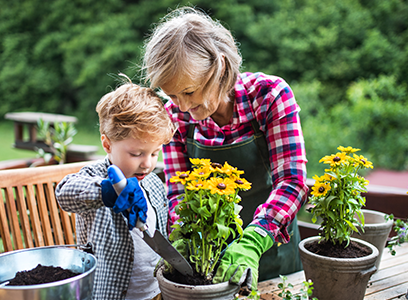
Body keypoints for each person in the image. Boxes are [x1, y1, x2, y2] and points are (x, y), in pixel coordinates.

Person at [142, 6, 309, 290]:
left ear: (219, 68)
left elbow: (293, 182)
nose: (181, 106)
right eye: (172, 95)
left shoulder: (269, 97)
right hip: (210, 262)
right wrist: (182, 238)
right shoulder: (177, 116)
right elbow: (179, 191)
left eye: (189, 92)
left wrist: (253, 241)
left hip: (273, 255)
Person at [55, 78, 176, 300]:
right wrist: (107, 191)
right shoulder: (95, 176)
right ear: (107, 144)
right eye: (137, 153)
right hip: (107, 293)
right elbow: (65, 192)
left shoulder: (153, 183)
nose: (147, 163)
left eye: (154, 152)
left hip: (155, 292)